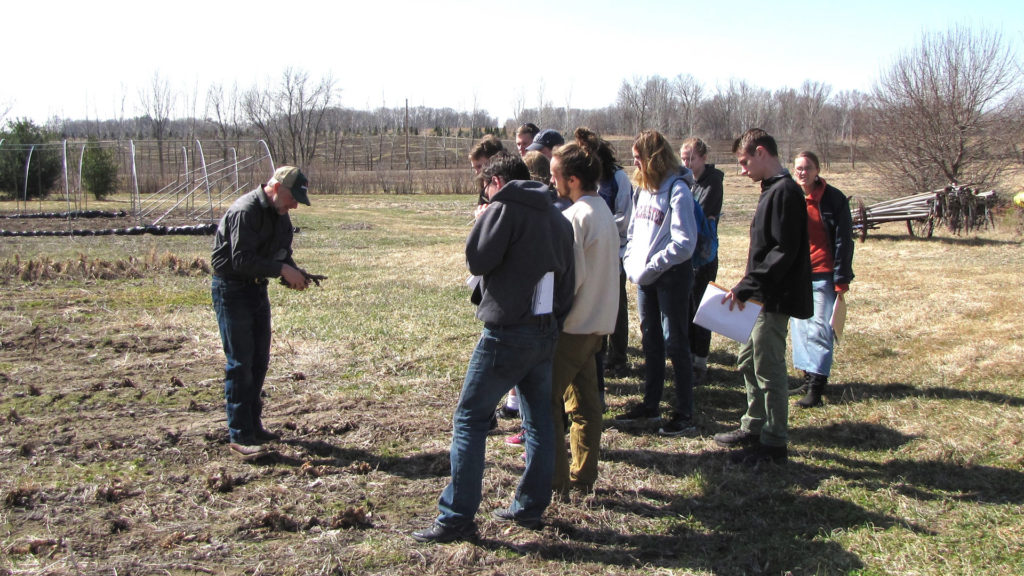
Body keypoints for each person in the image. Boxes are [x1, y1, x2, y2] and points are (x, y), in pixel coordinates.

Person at [412, 153, 575, 543]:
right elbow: (569, 280)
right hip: (546, 330)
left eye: (485, 187)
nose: (484, 194)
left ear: (497, 183)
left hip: (507, 334)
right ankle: (530, 507)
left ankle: (456, 517)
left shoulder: (504, 209)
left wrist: (482, 219)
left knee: (469, 419)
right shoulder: (557, 216)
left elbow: (477, 259)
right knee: (539, 423)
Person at [712, 129, 812, 466]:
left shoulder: (785, 192)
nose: (742, 170)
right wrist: (747, 287)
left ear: (760, 152)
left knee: (768, 368)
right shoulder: (771, 189)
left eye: (744, 162)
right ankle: (753, 427)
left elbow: (783, 252)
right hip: (757, 296)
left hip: (773, 298)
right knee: (747, 360)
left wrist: (748, 285)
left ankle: (774, 443)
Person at [210, 166, 314, 460]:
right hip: (232, 290)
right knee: (240, 362)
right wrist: (281, 270)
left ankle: (254, 426)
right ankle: (239, 435)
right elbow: (241, 259)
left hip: (256, 290)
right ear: (276, 186)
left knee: (259, 360)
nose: (295, 205)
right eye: (293, 197)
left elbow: (281, 252)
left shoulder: (280, 215)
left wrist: (296, 273)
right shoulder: (246, 211)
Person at [548, 137, 620, 495]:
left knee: (546, 405)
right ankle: (583, 476)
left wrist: (550, 318)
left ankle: (555, 482)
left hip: (573, 328)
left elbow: (568, 280)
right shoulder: (603, 210)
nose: (552, 183)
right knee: (586, 406)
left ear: (573, 179)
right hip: (598, 326)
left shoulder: (575, 217)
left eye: (555, 175)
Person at [616, 130, 699, 436]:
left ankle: (684, 412)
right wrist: (629, 260)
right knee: (649, 337)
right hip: (644, 277)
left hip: (672, 276)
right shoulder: (642, 190)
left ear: (653, 158)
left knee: (675, 341)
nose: (634, 163)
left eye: (638, 158)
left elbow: (684, 243)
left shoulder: (678, 190)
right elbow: (635, 232)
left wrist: (653, 267)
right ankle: (651, 405)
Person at [788, 151, 854, 408]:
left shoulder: (833, 199)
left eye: (806, 168)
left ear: (817, 171)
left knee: (819, 329)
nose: (801, 172)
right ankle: (807, 378)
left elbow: (843, 240)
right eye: (798, 168)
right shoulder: (791, 195)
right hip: (798, 274)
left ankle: (817, 388)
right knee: (800, 328)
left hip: (823, 273)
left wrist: (841, 278)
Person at [680, 137, 724, 385]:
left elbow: (699, 216)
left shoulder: (712, 183)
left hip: (704, 255)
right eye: (684, 158)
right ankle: (688, 357)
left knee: (701, 310)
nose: (687, 163)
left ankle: (700, 362)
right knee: (687, 307)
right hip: (689, 255)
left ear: (703, 158)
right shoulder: (688, 182)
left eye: (691, 159)